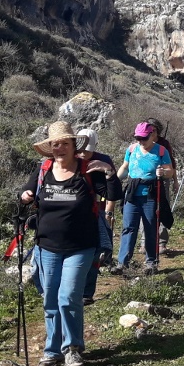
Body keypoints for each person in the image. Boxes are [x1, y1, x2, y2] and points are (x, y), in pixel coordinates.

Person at [20, 121, 121, 366]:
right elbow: (27, 191)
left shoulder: (88, 170)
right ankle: (52, 351)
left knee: (68, 297)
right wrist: (25, 195)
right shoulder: (43, 169)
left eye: (65, 143)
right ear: (50, 148)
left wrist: (108, 171)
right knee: (50, 300)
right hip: (46, 248)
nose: (60, 147)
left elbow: (113, 193)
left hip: (81, 247)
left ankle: (73, 349)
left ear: (74, 146)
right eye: (56, 144)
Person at [112, 122, 175, 276]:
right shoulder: (132, 149)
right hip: (132, 194)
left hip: (150, 194)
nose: (140, 141)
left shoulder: (161, 151)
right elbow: (125, 167)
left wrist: (163, 172)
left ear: (151, 135)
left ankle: (151, 262)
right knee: (128, 227)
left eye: (143, 138)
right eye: (137, 138)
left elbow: (170, 171)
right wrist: (113, 180)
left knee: (150, 227)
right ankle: (122, 263)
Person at [75, 128, 116, 307]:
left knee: (94, 253)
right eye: (82, 149)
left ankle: (87, 293)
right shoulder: (70, 158)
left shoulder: (104, 160)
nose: (84, 153)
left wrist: (108, 212)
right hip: (71, 212)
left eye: (88, 150)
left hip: (95, 211)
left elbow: (112, 192)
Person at [145, 118, 178, 255]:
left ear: (158, 131)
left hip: (163, 180)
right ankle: (144, 242)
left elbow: (172, 165)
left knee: (163, 208)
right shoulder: (141, 143)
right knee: (146, 210)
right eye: (149, 130)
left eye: (153, 130)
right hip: (146, 182)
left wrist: (175, 180)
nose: (150, 133)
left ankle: (162, 242)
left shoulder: (164, 145)